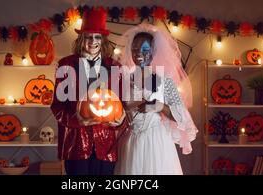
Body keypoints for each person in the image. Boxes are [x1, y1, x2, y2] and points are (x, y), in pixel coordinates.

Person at [50, 8, 128, 175]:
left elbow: (122, 105)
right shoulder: (66, 65)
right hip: (75, 144)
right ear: (81, 38)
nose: (93, 41)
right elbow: (57, 107)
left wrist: (120, 121)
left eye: (97, 36)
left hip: (106, 145)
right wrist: (75, 120)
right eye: (88, 36)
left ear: (103, 39)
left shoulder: (115, 67)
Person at [115, 24, 198, 175]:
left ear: (153, 52)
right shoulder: (124, 78)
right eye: (135, 50)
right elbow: (115, 109)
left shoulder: (165, 80)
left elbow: (181, 117)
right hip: (131, 142)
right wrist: (122, 110)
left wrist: (158, 106)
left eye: (145, 50)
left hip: (157, 141)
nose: (139, 53)